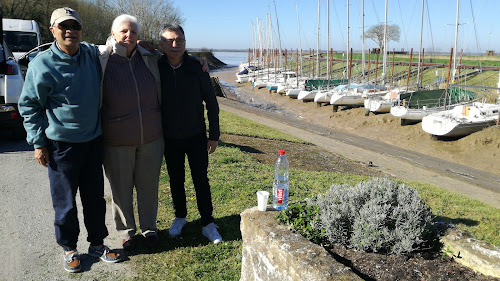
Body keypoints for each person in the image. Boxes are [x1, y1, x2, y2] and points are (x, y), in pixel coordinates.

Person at [18, 7, 120, 273]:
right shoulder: (42, 63)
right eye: (63, 26)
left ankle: (97, 245)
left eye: (74, 26)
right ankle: (70, 249)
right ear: (52, 30)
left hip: (92, 142)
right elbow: (28, 105)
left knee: (95, 199)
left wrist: (148, 46)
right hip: (61, 146)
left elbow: (114, 44)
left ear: (81, 31)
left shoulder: (88, 53)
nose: (69, 31)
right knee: (64, 203)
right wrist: (38, 143)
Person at [98, 14, 163, 250]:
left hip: (152, 139)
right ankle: (127, 232)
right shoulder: (101, 59)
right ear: (113, 33)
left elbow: (176, 55)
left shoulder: (148, 57)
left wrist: (199, 61)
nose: (129, 36)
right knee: (121, 190)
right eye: (124, 31)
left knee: (149, 187)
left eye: (133, 32)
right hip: (116, 140)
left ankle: (149, 229)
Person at [158, 24, 222, 244]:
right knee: (176, 179)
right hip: (169, 137)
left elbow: (211, 103)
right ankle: (180, 217)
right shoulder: (156, 65)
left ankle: (207, 223)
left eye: (179, 41)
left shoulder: (197, 67)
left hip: (196, 136)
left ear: (185, 43)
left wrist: (214, 134)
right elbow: (133, 46)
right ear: (161, 44)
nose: (174, 45)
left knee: (200, 179)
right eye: (169, 41)